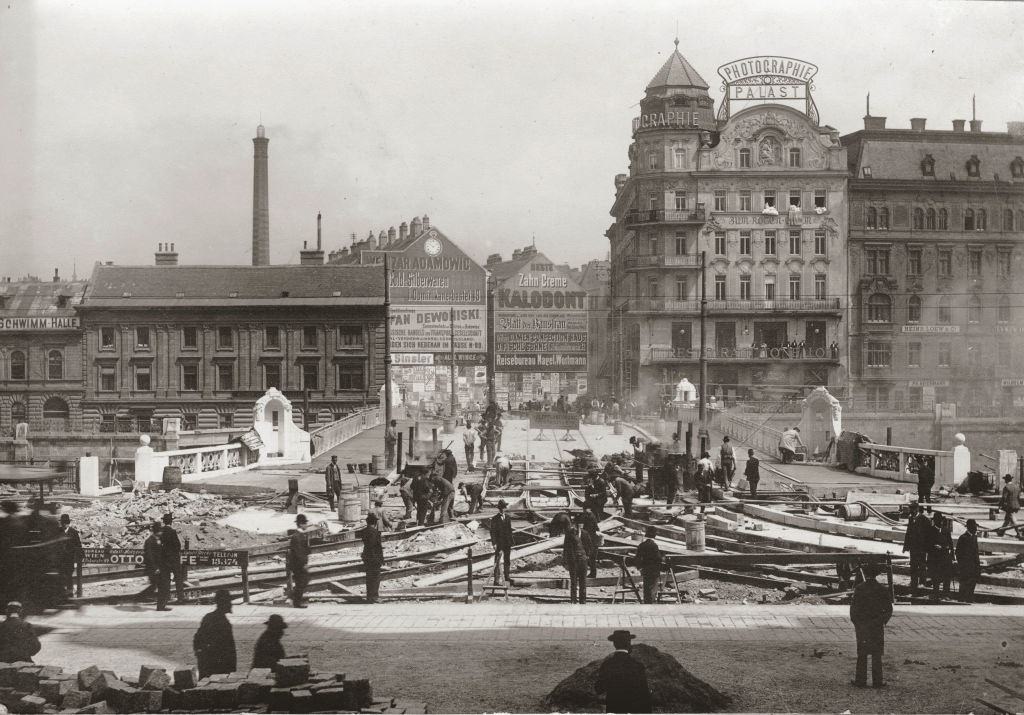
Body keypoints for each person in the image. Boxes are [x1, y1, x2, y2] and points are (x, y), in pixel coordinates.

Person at [849, 564, 893, 688]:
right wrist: (882, 621)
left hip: (863, 625)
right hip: (877, 625)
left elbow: (854, 609)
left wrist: (857, 623)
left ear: (865, 574)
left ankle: (860, 681)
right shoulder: (882, 589)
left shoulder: (859, 588)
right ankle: (877, 681)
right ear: (876, 575)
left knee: (862, 653)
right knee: (876, 654)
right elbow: (889, 609)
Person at [594, 630, 652, 714]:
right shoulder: (637, 666)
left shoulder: (607, 665)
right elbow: (644, 695)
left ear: (614, 644)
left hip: (613, 708)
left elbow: (599, 688)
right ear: (628, 644)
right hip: (633, 709)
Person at [193, 589, 237, 679]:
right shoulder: (222, 622)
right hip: (218, 666)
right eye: (229, 601)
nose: (231, 604)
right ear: (223, 603)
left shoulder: (209, 617)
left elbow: (197, 640)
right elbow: (227, 648)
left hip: (209, 665)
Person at [902, 503, 930, 596]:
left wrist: (927, 547)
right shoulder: (911, 519)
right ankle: (913, 582)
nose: (911, 511)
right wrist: (905, 546)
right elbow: (908, 533)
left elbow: (928, 535)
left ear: (917, 509)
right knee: (913, 565)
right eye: (911, 509)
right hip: (913, 547)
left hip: (921, 547)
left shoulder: (924, 520)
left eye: (913, 509)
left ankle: (922, 582)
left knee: (922, 565)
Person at [143, 521, 171, 611]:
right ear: (157, 531)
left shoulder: (159, 539)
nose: (162, 532)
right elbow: (149, 556)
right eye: (160, 531)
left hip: (162, 568)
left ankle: (161, 606)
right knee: (162, 587)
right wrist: (155, 568)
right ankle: (160, 606)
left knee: (163, 586)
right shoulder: (149, 541)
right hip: (155, 569)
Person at [929, 512, 954, 601]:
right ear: (934, 521)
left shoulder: (946, 531)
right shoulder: (930, 531)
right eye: (937, 520)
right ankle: (936, 594)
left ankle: (945, 594)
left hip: (944, 558)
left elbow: (950, 545)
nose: (939, 522)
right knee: (935, 577)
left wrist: (952, 557)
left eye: (940, 520)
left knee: (946, 577)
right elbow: (927, 544)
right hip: (934, 558)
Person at [956, 519, 982, 602]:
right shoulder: (963, 538)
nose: (976, 529)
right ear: (970, 527)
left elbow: (976, 552)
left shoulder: (974, 537)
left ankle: (969, 598)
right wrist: (962, 564)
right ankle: (961, 598)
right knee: (964, 582)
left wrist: (977, 563)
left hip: (973, 565)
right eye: (974, 527)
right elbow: (958, 553)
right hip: (965, 566)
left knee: (972, 582)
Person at [563, 522, 589, 604]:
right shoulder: (569, 535)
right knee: (573, 582)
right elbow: (566, 549)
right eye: (574, 526)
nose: (576, 528)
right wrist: (566, 562)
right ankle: (573, 600)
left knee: (583, 582)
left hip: (583, 561)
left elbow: (589, 546)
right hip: (573, 562)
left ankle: (583, 600)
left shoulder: (585, 534)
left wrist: (587, 556)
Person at [635, 526, 662, 604]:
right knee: (653, 588)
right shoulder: (654, 546)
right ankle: (651, 603)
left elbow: (637, 558)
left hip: (645, 570)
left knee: (646, 587)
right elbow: (658, 559)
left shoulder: (641, 545)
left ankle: (646, 602)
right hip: (654, 570)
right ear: (654, 535)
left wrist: (640, 568)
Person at [160, 513, 184, 602]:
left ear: (163, 521)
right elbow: (178, 545)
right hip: (173, 559)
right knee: (178, 578)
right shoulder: (172, 532)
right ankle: (180, 598)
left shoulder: (161, 531)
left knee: (166, 579)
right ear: (171, 522)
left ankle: (166, 598)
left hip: (164, 559)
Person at [57, 513, 82, 598]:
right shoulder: (57, 531)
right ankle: (62, 593)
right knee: (60, 575)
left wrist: (79, 558)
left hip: (69, 559)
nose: (64, 524)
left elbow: (78, 545)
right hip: (60, 559)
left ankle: (70, 593)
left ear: (68, 523)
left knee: (69, 575)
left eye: (66, 522)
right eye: (63, 522)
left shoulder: (73, 532)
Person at [361, 513, 385, 604]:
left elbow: (368, 545)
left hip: (366, 556)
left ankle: (369, 596)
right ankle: (375, 597)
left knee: (369, 577)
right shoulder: (375, 533)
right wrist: (380, 559)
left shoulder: (364, 531)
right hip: (374, 558)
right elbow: (376, 547)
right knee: (375, 578)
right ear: (375, 523)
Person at [288, 514, 310, 608]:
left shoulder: (301, 535)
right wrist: (303, 564)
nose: (306, 525)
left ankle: (296, 599)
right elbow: (298, 553)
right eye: (305, 523)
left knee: (303, 581)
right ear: (301, 524)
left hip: (299, 563)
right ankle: (296, 602)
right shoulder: (297, 537)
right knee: (301, 582)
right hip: (298, 564)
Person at [489, 499, 513, 586]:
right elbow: (492, 532)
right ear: (499, 509)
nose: (503, 509)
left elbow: (510, 531)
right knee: (497, 561)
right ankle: (496, 580)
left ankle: (507, 576)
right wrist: (494, 543)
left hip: (507, 543)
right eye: (502, 508)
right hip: (499, 543)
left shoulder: (508, 518)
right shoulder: (495, 519)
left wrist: (511, 542)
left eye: (504, 507)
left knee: (507, 560)